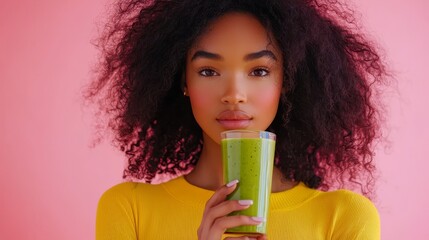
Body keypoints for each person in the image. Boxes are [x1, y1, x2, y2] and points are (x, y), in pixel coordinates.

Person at [87, 0, 387, 239]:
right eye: (208, 71)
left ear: (287, 83)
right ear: (183, 82)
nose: (234, 94)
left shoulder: (344, 217)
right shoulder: (130, 209)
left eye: (259, 71)